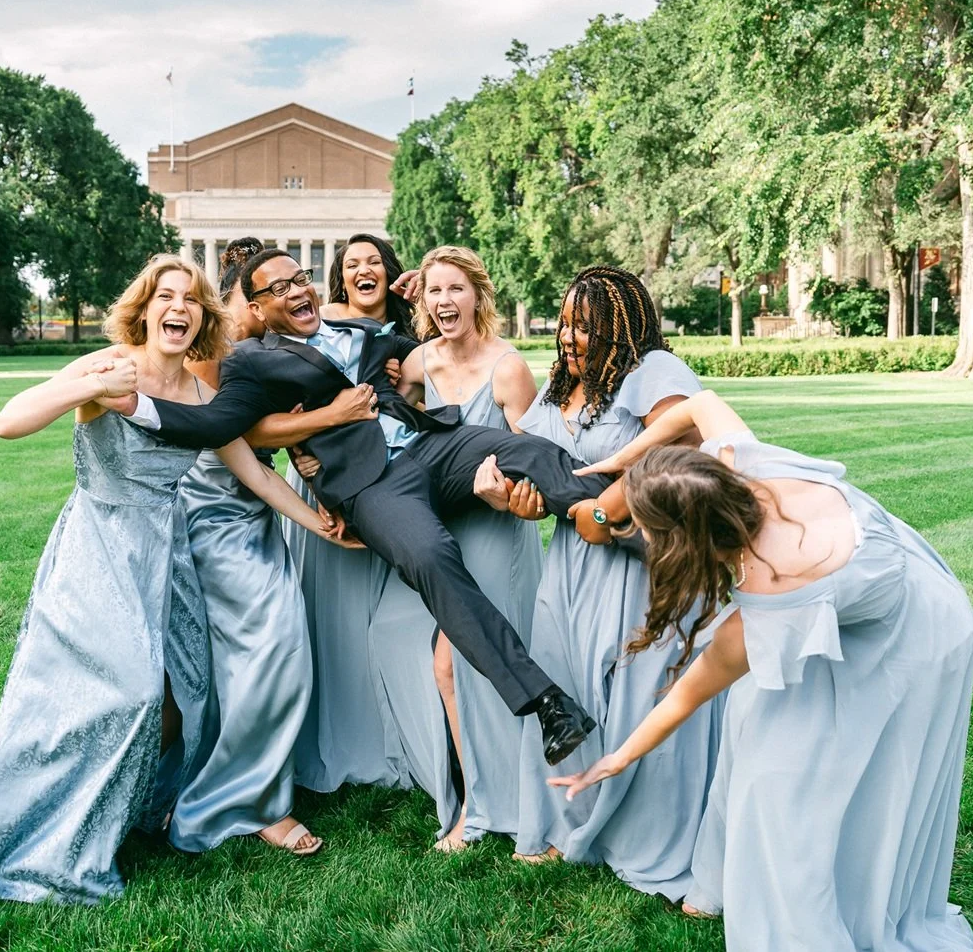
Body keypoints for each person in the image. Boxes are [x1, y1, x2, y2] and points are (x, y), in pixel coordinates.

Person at [0, 254, 342, 905]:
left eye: (191, 299)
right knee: (122, 695)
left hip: (166, 552)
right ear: (145, 309)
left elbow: (255, 473)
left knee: (182, 695)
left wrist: (317, 521)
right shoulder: (110, 364)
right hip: (99, 547)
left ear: (204, 316)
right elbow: (7, 421)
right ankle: (49, 839)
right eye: (165, 296)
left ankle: (134, 808)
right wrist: (89, 386)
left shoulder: (204, 395)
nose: (177, 307)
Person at [109, 248, 621, 766]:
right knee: (430, 556)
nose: (298, 291)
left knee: (528, 451)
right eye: (278, 289)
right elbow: (222, 425)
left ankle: (632, 516)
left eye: (300, 279)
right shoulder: (251, 361)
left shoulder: (363, 333)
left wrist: (429, 291)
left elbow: (443, 345)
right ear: (259, 309)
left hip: (432, 446)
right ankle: (547, 704)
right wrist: (139, 405)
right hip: (369, 486)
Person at [553, 389, 973, 951]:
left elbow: (691, 693)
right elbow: (699, 404)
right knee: (752, 724)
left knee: (794, 793)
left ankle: (822, 907)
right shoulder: (740, 462)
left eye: (649, 529)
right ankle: (713, 882)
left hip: (915, 638)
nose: (644, 538)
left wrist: (618, 757)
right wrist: (621, 460)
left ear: (685, 538)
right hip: (867, 594)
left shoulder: (773, 583)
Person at [501, 266, 721, 907]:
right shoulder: (557, 392)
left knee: (637, 696)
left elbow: (686, 450)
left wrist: (607, 507)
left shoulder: (654, 374)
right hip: (568, 563)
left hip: (638, 563)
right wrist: (520, 500)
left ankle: (649, 842)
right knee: (564, 684)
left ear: (622, 325)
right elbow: (538, 472)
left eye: (587, 324)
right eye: (566, 322)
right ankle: (567, 825)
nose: (571, 335)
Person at [356, 245, 542, 851]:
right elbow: (391, 414)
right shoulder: (418, 363)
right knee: (389, 629)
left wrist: (504, 494)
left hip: (494, 527)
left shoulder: (508, 368)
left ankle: (482, 807)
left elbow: (532, 462)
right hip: (440, 525)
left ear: (478, 295)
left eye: (455, 289)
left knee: (454, 662)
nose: (443, 302)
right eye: (433, 291)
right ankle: (446, 774)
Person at [169, 238, 326, 857]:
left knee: (257, 653)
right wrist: (328, 418)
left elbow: (274, 438)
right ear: (250, 299)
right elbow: (237, 430)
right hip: (213, 514)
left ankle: (252, 781)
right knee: (272, 645)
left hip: (257, 511)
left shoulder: (268, 345)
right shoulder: (214, 348)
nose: (292, 297)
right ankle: (253, 801)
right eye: (275, 290)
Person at [284, 234, 416, 792]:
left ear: (390, 272)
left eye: (375, 262)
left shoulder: (412, 338)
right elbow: (281, 398)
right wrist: (300, 452)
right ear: (341, 275)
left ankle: (400, 733)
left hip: (393, 478)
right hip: (324, 474)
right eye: (353, 263)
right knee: (333, 608)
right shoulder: (316, 325)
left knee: (388, 611)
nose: (365, 270)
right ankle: (337, 732)